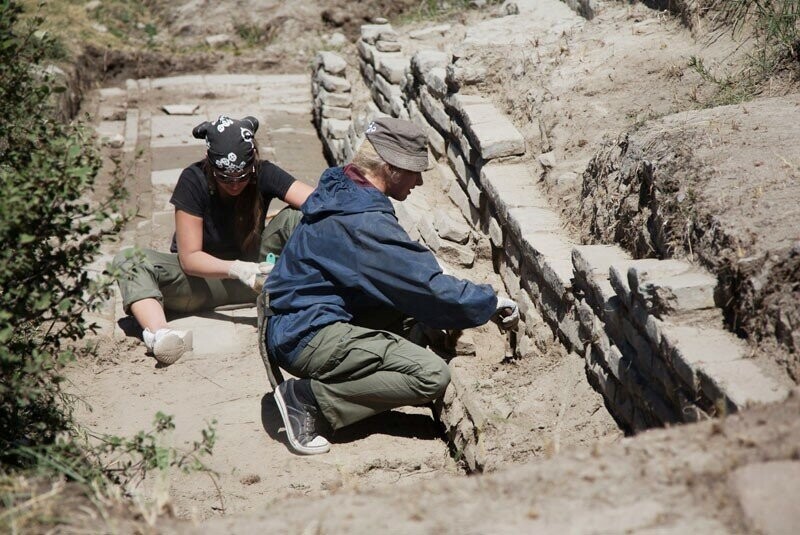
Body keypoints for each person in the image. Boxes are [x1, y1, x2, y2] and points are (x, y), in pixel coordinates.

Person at [264, 117, 519, 455]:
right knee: (431, 375)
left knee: (411, 311)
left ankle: (360, 386)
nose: (420, 179)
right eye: (414, 170)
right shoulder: (363, 221)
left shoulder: (345, 190)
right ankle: (308, 400)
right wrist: (490, 302)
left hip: (293, 319)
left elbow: (405, 273)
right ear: (389, 168)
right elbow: (424, 285)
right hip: (305, 335)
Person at [113, 115, 313, 365]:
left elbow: (318, 201)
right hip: (205, 282)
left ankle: (324, 291)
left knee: (299, 215)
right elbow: (189, 259)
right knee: (128, 260)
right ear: (210, 164)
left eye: (242, 177)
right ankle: (162, 335)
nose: (235, 185)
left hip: (261, 275)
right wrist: (238, 269)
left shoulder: (263, 172)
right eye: (225, 178)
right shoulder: (193, 180)